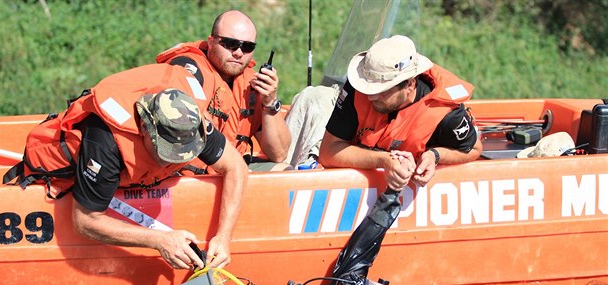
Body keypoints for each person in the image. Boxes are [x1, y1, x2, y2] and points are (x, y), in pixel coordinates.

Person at [4, 63, 248, 270]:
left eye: (181, 154)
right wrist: (160, 241)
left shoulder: (189, 122)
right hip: (63, 174)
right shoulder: (105, 141)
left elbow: (236, 167)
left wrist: (223, 237)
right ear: (144, 128)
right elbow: (85, 220)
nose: (173, 161)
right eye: (167, 153)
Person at [319, 35, 483, 191]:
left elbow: (473, 150)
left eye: (382, 90)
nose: (370, 96)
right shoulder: (358, 88)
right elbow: (328, 152)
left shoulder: (447, 114)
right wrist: (384, 161)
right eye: (369, 87)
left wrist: (435, 155)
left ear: (410, 85)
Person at [157, 10, 292, 172]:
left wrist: (270, 103)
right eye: (230, 43)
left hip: (231, 169)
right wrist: (233, 168)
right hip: (185, 174)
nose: (238, 53)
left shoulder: (252, 84)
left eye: (247, 47)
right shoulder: (187, 68)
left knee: (284, 170)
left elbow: (278, 154)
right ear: (211, 41)